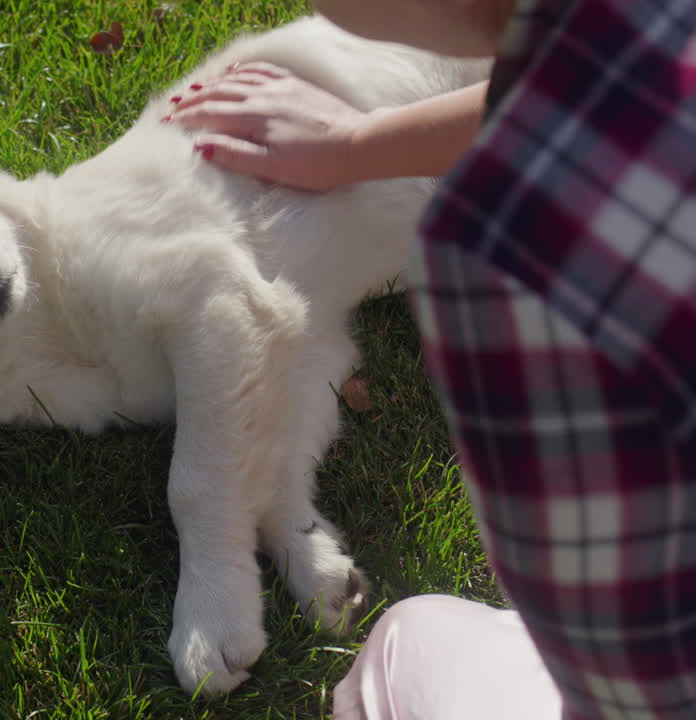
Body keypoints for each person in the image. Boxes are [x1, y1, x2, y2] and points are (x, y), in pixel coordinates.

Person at [168, 1, 696, 718]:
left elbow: (635, 680)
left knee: (404, 647)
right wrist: (357, 143)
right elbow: (584, 86)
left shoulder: (508, 256)